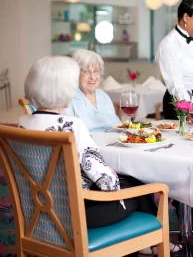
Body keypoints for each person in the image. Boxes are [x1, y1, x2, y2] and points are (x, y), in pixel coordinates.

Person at [21, 56, 178, 256]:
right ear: (65, 89)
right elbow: (108, 183)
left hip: (38, 210)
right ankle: (147, 243)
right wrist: (110, 172)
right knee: (138, 186)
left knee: (128, 183)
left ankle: (141, 246)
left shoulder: (24, 122)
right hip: (76, 214)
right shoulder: (73, 125)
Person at [62, 49, 121, 132]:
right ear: (76, 74)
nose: (93, 77)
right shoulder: (68, 99)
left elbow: (118, 127)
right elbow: (68, 134)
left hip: (112, 142)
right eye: (86, 71)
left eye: (96, 71)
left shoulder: (104, 96)